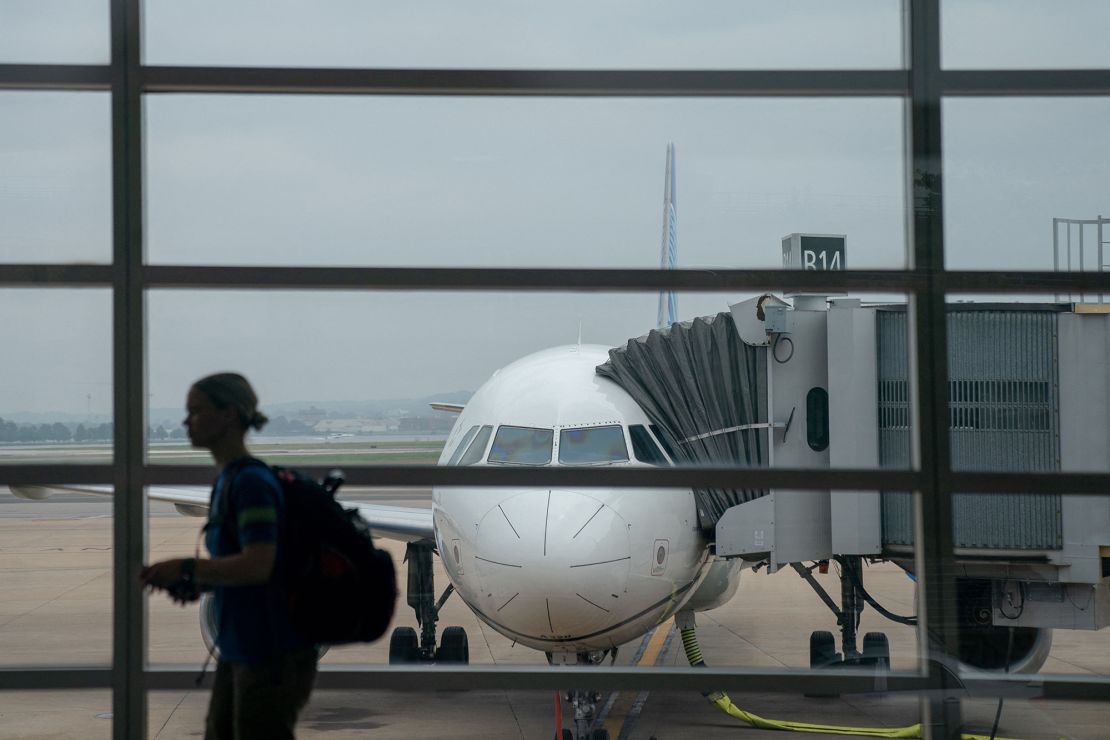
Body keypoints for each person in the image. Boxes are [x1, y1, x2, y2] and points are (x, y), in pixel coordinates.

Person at [140, 372, 317, 740]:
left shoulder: (251, 483)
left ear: (229, 415)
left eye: (196, 411)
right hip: (240, 648)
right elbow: (247, 570)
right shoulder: (228, 480)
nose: (186, 422)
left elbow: (259, 564)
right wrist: (197, 582)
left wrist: (186, 567)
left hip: (269, 653)